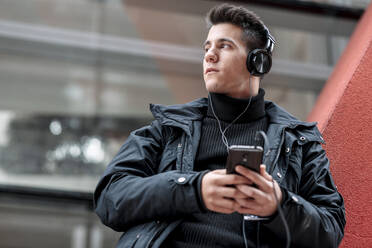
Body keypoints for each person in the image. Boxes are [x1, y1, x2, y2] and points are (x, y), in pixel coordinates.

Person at [94, 3, 345, 248]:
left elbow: (331, 229)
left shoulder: (300, 142)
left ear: (258, 62)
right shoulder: (166, 128)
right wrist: (194, 189)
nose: (209, 55)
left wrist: (278, 205)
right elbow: (110, 197)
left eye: (224, 46)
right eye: (207, 47)